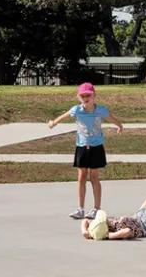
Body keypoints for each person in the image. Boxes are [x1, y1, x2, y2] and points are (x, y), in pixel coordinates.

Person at [47, 82, 124, 219]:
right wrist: (53, 123)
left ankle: (96, 209)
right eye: (83, 96)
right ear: (79, 98)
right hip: (82, 146)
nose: (86, 98)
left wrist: (119, 125)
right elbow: (63, 116)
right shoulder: (77, 110)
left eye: (88, 95)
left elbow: (110, 117)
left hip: (96, 147)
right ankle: (80, 208)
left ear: (94, 96)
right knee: (81, 177)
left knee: (94, 177)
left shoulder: (100, 110)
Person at [81, 191, 146, 239]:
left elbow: (85, 221)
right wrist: (110, 236)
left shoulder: (102, 226)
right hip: (144, 225)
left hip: (138, 217)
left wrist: (85, 231)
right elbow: (127, 232)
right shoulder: (113, 231)